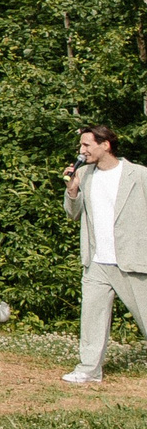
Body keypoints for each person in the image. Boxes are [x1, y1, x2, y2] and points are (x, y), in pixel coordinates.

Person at [66, 124, 147, 383]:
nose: (82, 150)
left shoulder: (138, 174)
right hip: (96, 261)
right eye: (81, 145)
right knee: (92, 318)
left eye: (87, 145)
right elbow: (72, 213)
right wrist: (72, 190)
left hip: (133, 259)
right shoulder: (84, 174)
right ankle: (89, 370)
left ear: (106, 145)